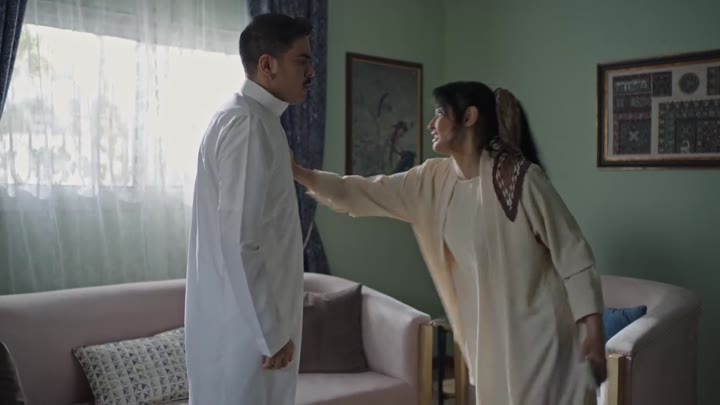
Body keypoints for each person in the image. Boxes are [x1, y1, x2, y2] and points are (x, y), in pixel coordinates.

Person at [293, 81, 607, 404]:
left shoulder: (521, 179)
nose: (431, 123)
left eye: (440, 112)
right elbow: (363, 191)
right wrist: (300, 173)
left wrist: (594, 332)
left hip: (544, 340)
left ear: (469, 117)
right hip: (491, 342)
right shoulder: (432, 180)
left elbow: (574, 256)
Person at [184, 12, 315, 405]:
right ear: (267, 65)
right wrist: (270, 332)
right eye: (302, 60)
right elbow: (240, 239)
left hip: (249, 327)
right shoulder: (246, 124)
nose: (311, 72)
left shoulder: (258, 120)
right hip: (245, 333)